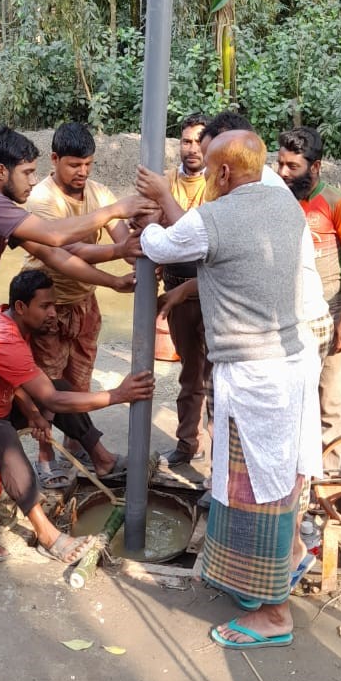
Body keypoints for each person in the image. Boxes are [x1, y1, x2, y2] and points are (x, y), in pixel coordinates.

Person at [0, 125, 148, 563]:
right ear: (1, 171)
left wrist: (114, 280)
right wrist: (117, 210)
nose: (32, 182)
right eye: (28, 172)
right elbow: (55, 237)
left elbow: (55, 255)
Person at [136, 131, 322, 649]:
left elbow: (158, 244)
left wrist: (149, 215)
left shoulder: (215, 218)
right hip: (288, 365)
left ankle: (274, 614)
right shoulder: (283, 203)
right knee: (280, 483)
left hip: (254, 377)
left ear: (221, 174)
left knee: (254, 495)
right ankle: (272, 574)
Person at [0, 269, 155, 563]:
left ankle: (102, 460)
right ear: (22, 307)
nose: (53, 313)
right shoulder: (2, 337)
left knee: (60, 385)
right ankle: (46, 534)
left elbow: (14, 382)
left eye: (54, 304)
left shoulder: (15, 325)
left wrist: (33, 413)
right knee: (7, 436)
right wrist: (117, 395)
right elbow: (52, 399)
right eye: (45, 306)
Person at [24, 122, 132, 487]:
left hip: (85, 302)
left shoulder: (98, 192)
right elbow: (65, 251)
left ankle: (79, 446)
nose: (82, 172)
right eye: (74, 165)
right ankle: (45, 457)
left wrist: (141, 246)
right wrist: (119, 256)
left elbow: (122, 236)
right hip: (48, 307)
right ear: (54, 160)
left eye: (88, 164)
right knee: (47, 386)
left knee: (80, 381)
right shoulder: (42, 199)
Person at [278, 127, 341, 451]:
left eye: (293, 166)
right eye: (280, 164)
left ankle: (326, 483)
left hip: (329, 318)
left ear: (315, 167)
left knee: (329, 404)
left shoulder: (338, 205)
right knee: (288, 402)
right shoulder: (278, 201)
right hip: (287, 318)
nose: (282, 173)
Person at [156, 113, 209, 470]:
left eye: (197, 142)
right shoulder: (164, 183)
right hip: (174, 289)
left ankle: (206, 448)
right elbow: (146, 231)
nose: (191, 149)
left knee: (211, 376)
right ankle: (189, 442)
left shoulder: (219, 187)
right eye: (185, 141)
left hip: (210, 291)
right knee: (191, 373)